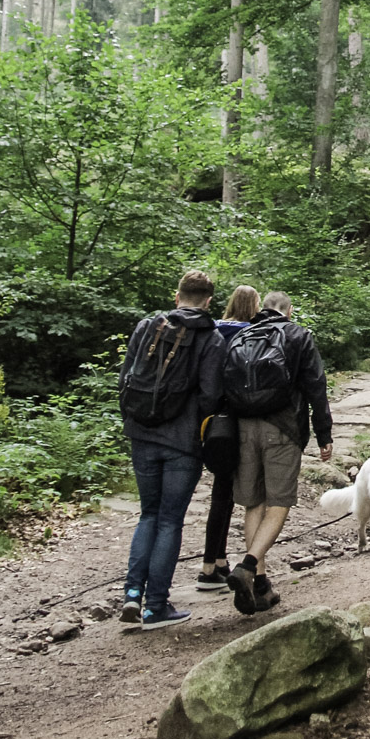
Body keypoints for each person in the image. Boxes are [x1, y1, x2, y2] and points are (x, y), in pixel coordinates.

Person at [118, 268, 225, 629]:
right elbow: (211, 394)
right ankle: (156, 607)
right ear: (208, 301)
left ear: (176, 296)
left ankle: (132, 594)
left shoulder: (148, 326)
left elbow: (126, 377)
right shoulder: (211, 338)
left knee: (148, 514)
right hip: (182, 442)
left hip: (142, 433)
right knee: (169, 520)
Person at [223, 289, 334, 615]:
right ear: (289, 311)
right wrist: (323, 433)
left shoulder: (242, 335)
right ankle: (247, 566)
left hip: (243, 428)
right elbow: (316, 385)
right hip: (282, 429)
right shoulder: (298, 335)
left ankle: (260, 585)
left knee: (253, 502)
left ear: (262, 309)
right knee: (279, 502)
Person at [195, 284, 260, 593]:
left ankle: (218, 561)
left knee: (220, 493)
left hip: (212, 422)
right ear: (254, 306)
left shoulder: (214, 331)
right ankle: (208, 567)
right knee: (227, 495)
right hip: (238, 420)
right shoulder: (252, 334)